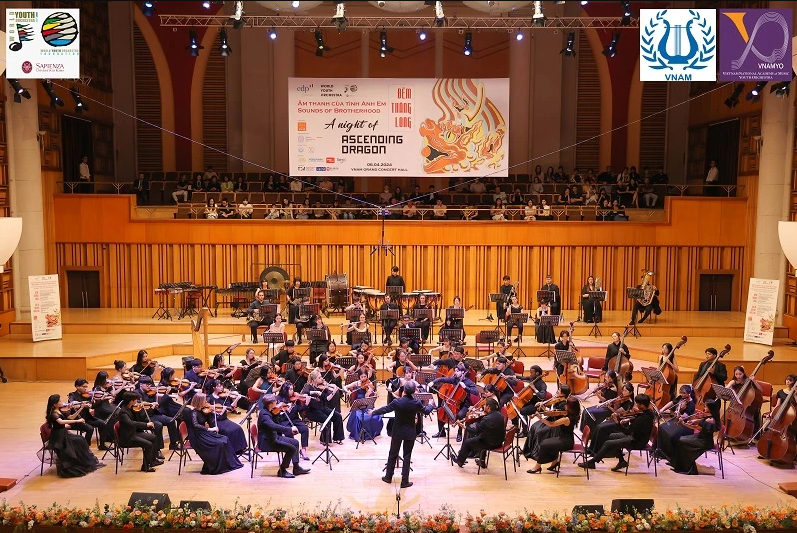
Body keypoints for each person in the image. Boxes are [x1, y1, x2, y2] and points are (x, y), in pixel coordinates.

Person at [372, 381, 434, 488]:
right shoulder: (416, 403)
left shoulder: (397, 402)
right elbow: (426, 411)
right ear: (414, 392)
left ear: (404, 390)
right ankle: (405, 481)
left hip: (397, 432)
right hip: (410, 432)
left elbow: (385, 409)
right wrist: (431, 405)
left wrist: (373, 412)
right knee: (407, 456)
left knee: (393, 453)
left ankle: (388, 477)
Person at [579, 394, 655, 471]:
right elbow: (639, 418)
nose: (635, 405)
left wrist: (618, 423)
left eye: (637, 403)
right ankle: (621, 461)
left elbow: (627, 432)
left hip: (636, 441)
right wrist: (629, 419)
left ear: (642, 405)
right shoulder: (649, 413)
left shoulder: (641, 419)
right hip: (638, 437)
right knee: (612, 436)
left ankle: (592, 462)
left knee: (608, 443)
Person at [44, 394, 104, 477]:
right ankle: (74, 462)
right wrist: (77, 421)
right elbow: (61, 422)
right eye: (60, 401)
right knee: (78, 441)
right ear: (54, 404)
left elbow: (71, 417)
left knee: (81, 439)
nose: (62, 402)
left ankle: (80, 461)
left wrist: (81, 408)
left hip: (63, 433)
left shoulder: (60, 410)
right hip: (58, 436)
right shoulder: (53, 414)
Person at [184, 394, 243, 475]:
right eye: (204, 400)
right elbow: (195, 425)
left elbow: (210, 421)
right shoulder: (194, 412)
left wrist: (213, 413)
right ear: (199, 401)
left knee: (225, 439)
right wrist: (211, 429)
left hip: (204, 433)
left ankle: (228, 464)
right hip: (197, 436)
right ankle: (217, 466)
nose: (206, 402)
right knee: (219, 443)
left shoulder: (203, 410)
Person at [257, 394, 311, 478]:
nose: (277, 403)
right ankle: (282, 470)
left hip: (274, 437)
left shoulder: (269, 411)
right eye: (275, 401)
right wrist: (289, 429)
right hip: (268, 442)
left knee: (295, 442)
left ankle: (296, 468)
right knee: (291, 448)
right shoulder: (264, 414)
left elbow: (277, 422)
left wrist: (278, 414)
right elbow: (273, 426)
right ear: (270, 403)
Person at [525, 396, 581, 473]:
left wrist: (540, 418)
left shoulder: (566, 419)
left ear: (570, 407)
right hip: (567, 438)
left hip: (566, 442)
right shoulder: (574, 415)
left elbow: (551, 424)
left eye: (566, 404)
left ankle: (537, 467)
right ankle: (555, 462)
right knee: (549, 442)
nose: (565, 405)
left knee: (544, 444)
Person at [430, 362, 479, 441]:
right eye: (455, 371)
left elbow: (476, 392)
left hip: (464, 404)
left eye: (457, 371)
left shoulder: (468, 382)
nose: (455, 373)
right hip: (453, 402)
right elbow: (443, 379)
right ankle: (441, 432)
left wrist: (466, 387)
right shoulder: (455, 379)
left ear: (463, 372)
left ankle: (459, 433)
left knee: (460, 415)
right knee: (440, 410)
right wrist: (433, 382)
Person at [670, 399, 721, 475]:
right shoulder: (710, 416)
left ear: (710, 408)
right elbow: (702, 421)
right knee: (680, 439)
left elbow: (697, 428)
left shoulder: (710, 420)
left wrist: (683, 423)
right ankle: (678, 464)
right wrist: (695, 420)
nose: (704, 408)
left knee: (681, 441)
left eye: (705, 407)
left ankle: (686, 467)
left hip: (704, 442)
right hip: (701, 438)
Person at [454, 398, 505, 469]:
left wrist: (464, 427)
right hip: (499, 442)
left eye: (485, 405)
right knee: (483, 436)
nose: (483, 407)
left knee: (468, 442)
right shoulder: (500, 415)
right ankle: (482, 462)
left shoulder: (486, 419)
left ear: (488, 407)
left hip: (491, 444)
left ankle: (460, 461)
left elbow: (476, 431)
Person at [117, 392, 162, 472]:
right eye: (135, 400)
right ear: (131, 401)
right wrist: (146, 425)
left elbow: (137, 419)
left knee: (153, 437)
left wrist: (139, 411)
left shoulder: (131, 408)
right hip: (128, 437)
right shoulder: (123, 412)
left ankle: (152, 461)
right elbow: (131, 423)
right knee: (148, 444)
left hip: (133, 433)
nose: (137, 401)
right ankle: (146, 466)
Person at [654, 385, 697, 462]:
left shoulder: (691, 404)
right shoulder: (681, 398)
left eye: (684, 393)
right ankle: (659, 450)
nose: (682, 395)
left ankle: (669, 454)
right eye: (681, 392)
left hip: (685, 424)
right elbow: (672, 403)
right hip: (677, 421)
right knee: (661, 427)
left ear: (689, 393)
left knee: (671, 435)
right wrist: (662, 409)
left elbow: (684, 417)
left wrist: (678, 413)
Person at [205, 380, 248, 455]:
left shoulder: (224, 397)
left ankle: (241, 448)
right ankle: (232, 450)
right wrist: (214, 410)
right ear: (214, 388)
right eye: (219, 386)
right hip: (215, 421)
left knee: (238, 428)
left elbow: (231, 408)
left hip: (224, 419)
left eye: (221, 385)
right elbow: (207, 409)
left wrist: (237, 399)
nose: (221, 387)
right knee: (229, 431)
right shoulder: (209, 398)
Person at [304, 370, 345, 444]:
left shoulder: (322, 387)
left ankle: (337, 438)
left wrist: (333, 392)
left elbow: (327, 399)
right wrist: (315, 392)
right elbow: (304, 393)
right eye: (319, 377)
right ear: (314, 379)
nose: (322, 379)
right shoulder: (308, 386)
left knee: (338, 416)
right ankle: (324, 440)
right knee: (327, 420)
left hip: (322, 408)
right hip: (312, 411)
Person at [276, 382, 311, 460]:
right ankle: (292, 450)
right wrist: (283, 410)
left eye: (292, 389)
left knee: (305, 429)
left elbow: (299, 409)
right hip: (284, 421)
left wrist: (306, 404)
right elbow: (276, 413)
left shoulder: (294, 398)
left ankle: (303, 450)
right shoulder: (279, 399)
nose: (292, 391)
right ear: (285, 390)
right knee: (289, 432)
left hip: (295, 419)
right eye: (290, 389)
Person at [344, 370, 384, 441]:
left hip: (367, 403)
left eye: (365, 376)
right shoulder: (357, 383)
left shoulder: (369, 383)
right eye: (361, 377)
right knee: (358, 417)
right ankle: (359, 433)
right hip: (358, 404)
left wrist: (369, 391)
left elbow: (367, 396)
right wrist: (349, 392)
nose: (363, 378)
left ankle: (370, 432)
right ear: (359, 377)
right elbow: (345, 387)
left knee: (373, 416)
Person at [67, 379, 106, 447]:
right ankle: (86, 447)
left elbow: (93, 406)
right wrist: (82, 404)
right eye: (84, 387)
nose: (85, 388)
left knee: (102, 423)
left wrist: (101, 399)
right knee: (90, 429)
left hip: (87, 418)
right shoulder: (72, 395)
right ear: (77, 386)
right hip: (77, 420)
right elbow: (73, 404)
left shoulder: (87, 395)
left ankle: (102, 445)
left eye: (86, 387)